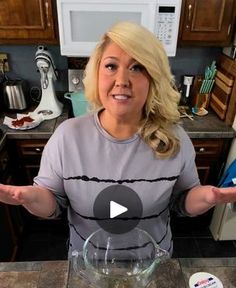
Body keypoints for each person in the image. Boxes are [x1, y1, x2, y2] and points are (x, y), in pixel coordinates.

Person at [0, 21, 235, 257]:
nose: (122, 80)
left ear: (154, 78)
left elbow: (183, 201)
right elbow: (52, 205)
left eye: (137, 67)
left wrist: (208, 196)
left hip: (153, 265)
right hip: (88, 267)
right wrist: (27, 197)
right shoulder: (67, 137)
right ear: (96, 74)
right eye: (111, 66)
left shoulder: (175, 139)